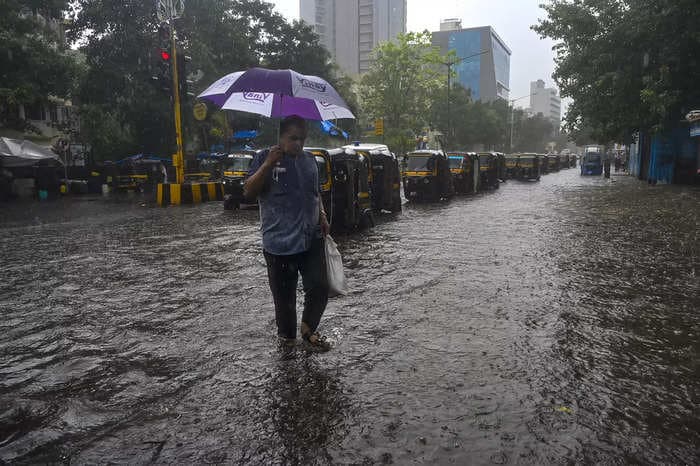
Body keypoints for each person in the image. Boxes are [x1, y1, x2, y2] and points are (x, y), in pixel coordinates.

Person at [243, 116, 331, 351]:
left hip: (310, 236)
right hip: (278, 244)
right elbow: (249, 192)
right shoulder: (264, 157)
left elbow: (315, 192)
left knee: (321, 286)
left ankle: (308, 329)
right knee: (285, 303)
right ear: (280, 137)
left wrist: (321, 214)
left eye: (302, 139)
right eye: (293, 139)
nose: (298, 144)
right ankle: (287, 348)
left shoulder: (309, 160)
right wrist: (268, 164)